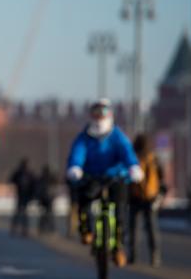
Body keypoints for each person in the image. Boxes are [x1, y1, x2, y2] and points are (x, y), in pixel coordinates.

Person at [66, 99, 143, 267]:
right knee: (85, 198)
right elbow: (78, 152)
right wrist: (75, 167)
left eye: (103, 113)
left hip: (115, 177)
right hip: (93, 176)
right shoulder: (85, 136)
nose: (99, 117)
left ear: (110, 115)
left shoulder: (117, 136)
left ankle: (119, 247)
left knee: (121, 210)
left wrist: (134, 167)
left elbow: (127, 153)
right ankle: (86, 229)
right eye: (96, 113)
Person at [128, 134, 165, 267]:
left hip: (134, 197)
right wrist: (160, 194)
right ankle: (155, 255)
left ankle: (133, 255)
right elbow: (161, 177)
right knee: (151, 228)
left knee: (133, 228)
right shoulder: (153, 158)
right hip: (150, 197)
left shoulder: (132, 158)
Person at [9, 159, 35, 237]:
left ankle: (15, 229)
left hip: (22, 195)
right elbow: (34, 184)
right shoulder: (28, 173)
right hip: (24, 196)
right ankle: (23, 230)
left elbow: (12, 180)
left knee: (19, 213)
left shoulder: (19, 172)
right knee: (23, 214)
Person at [36, 164, 58, 233]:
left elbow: (38, 189)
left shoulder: (41, 178)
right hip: (49, 199)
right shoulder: (50, 177)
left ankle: (42, 228)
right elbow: (56, 183)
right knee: (49, 214)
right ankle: (51, 229)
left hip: (44, 199)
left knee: (43, 215)